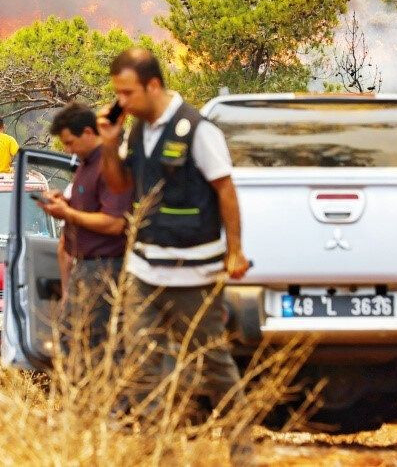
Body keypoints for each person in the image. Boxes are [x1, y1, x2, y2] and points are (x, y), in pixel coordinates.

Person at [97, 48, 251, 422]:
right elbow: (120, 186)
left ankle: (241, 450)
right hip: (145, 269)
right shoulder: (137, 131)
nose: (122, 101)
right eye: (118, 93)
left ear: (153, 85)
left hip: (193, 271)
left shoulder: (198, 129)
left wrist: (235, 251)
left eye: (128, 93)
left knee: (212, 363)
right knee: (141, 359)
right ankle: (156, 448)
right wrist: (108, 143)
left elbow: (226, 191)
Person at [35, 103, 133, 351]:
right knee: (71, 338)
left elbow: (113, 223)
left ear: (89, 132)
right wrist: (64, 203)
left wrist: (67, 212)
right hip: (84, 267)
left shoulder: (108, 165)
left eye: (70, 143)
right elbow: (87, 209)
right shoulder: (85, 165)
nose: (68, 150)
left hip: (105, 268)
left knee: (95, 342)